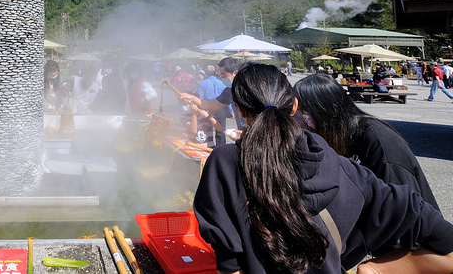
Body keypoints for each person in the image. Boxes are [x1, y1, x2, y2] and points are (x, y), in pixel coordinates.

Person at [194, 63, 453, 274]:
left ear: (238, 110)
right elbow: (439, 236)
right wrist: (374, 270)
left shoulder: (223, 164)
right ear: (295, 106)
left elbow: (230, 265)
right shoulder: (345, 169)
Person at [294, 74, 439, 210]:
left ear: (333, 110)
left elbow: (403, 208)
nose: (301, 121)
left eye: (305, 113)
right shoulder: (343, 136)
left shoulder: (379, 142)